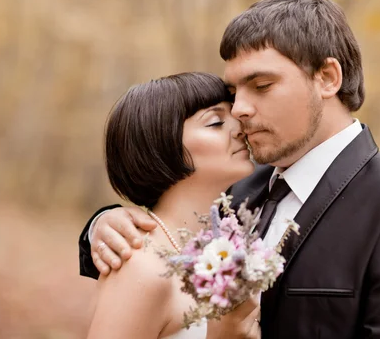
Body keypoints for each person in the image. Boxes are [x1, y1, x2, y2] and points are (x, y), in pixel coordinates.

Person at [79, 0, 380, 339]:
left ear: (327, 78)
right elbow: (165, 230)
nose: (240, 110)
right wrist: (105, 223)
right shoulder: (232, 190)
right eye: (233, 93)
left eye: (261, 86)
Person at [85, 72, 260, 339]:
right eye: (215, 123)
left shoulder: (229, 246)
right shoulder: (142, 268)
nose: (239, 128)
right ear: (161, 145)